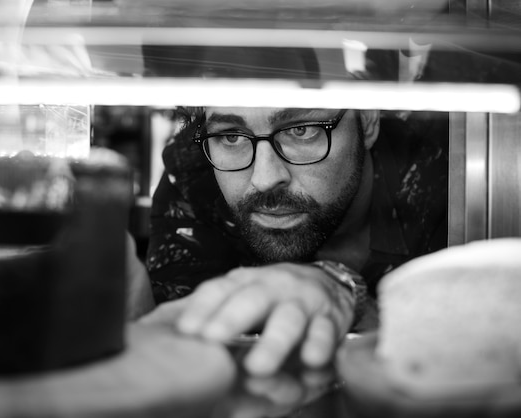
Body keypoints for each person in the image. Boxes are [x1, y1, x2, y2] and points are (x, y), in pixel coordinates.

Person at [141, 45, 449, 376]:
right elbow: (181, 355)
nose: (265, 179)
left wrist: (347, 298)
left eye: (300, 130)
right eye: (231, 136)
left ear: (368, 122)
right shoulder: (193, 176)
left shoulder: (449, 178)